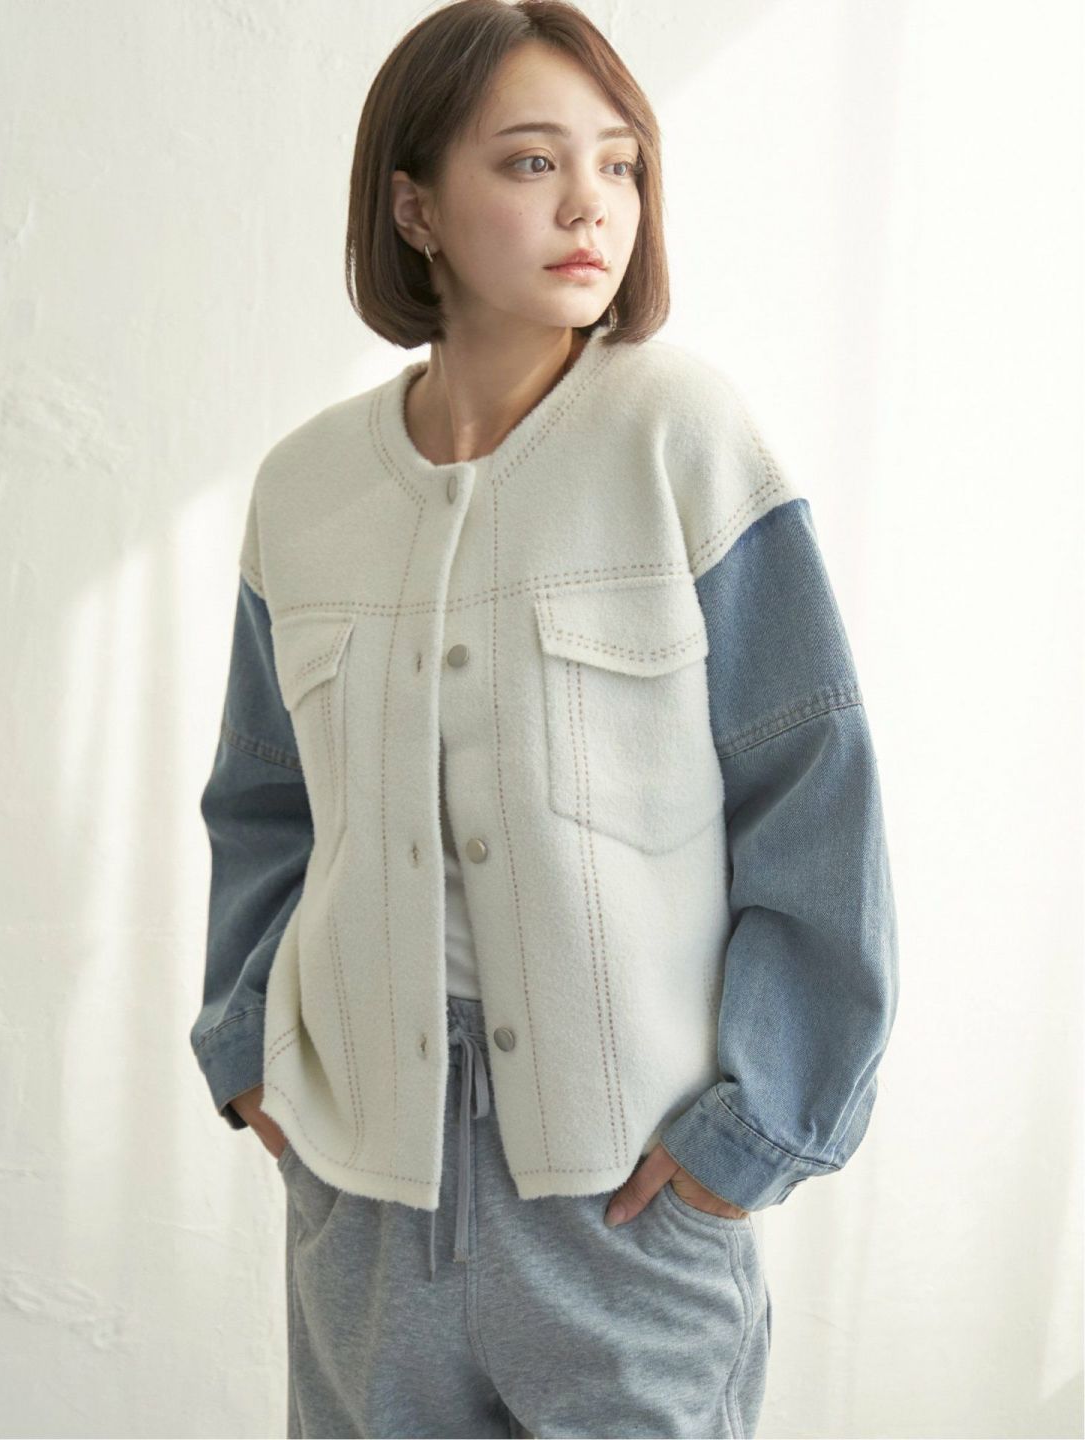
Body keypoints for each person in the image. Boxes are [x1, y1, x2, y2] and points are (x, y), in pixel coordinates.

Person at [190, 3, 900, 1436]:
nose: (592, 205)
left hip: (628, 1199)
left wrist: (756, 1127)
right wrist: (248, 1047)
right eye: (531, 162)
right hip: (362, 1201)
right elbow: (264, 802)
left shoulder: (683, 436)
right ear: (415, 208)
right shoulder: (304, 490)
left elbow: (813, 788)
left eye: (620, 163)